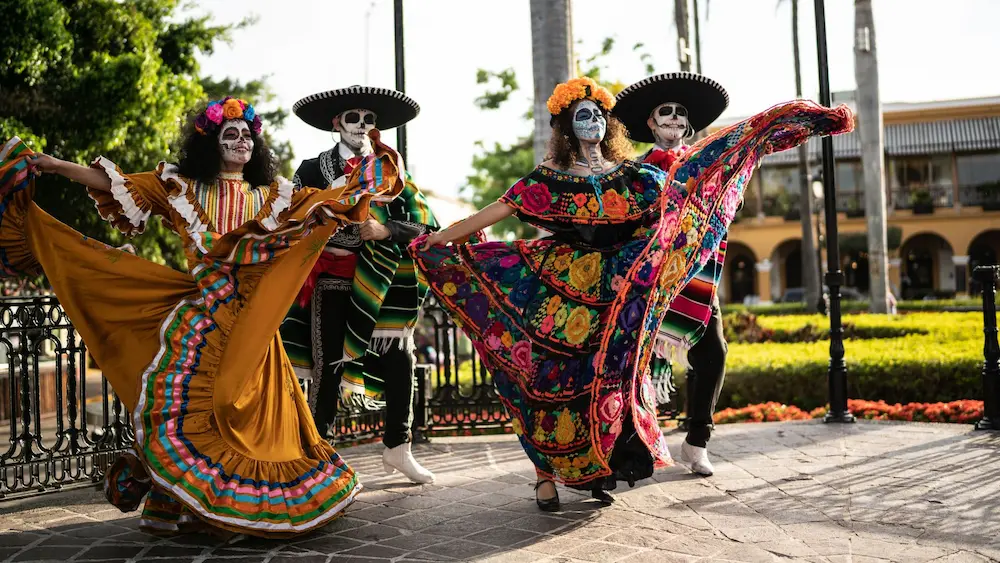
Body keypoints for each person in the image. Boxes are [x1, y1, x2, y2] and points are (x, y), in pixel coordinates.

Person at [410, 77, 854, 512]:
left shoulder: (634, 175)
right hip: (561, 292)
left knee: (610, 381)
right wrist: (441, 238)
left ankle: (600, 470)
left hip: (619, 295)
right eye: (583, 116)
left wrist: (761, 134)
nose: (593, 123)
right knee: (548, 380)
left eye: (599, 116)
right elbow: (500, 208)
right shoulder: (550, 178)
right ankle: (544, 474)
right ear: (566, 127)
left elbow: (686, 192)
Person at [0, 96, 407, 538]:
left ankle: (231, 506)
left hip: (254, 324)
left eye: (247, 135)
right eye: (230, 134)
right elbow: (113, 181)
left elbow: (333, 201)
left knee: (239, 411)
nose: (241, 141)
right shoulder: (181, 187)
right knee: (193, 410)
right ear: (211, 143)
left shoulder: (275, 196)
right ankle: (186, 503)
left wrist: (371, 170)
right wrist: (53, 164)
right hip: (203, 321)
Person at [280, 86, 439, 484]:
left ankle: (398, 447)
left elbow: (426, 224)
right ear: (337, 123)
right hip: (330, 281)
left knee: (401, 360)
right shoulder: (311, 169)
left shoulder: (392, 169)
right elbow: (290, 220)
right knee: (328, 366)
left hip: (382, 282)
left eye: (370, 119)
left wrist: (386, 229)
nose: (362, 126)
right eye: (354, 118)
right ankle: (319, 455)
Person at [613, 72, 730, 476]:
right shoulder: (632, 171)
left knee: (713, 352)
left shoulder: (707, 164)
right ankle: (638, 444)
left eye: (682, 112)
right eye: (667, 111)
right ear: (651, 122)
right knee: (635, 363)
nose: (676, 117)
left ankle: (697, 441)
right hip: (648, 280)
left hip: (695, 277)